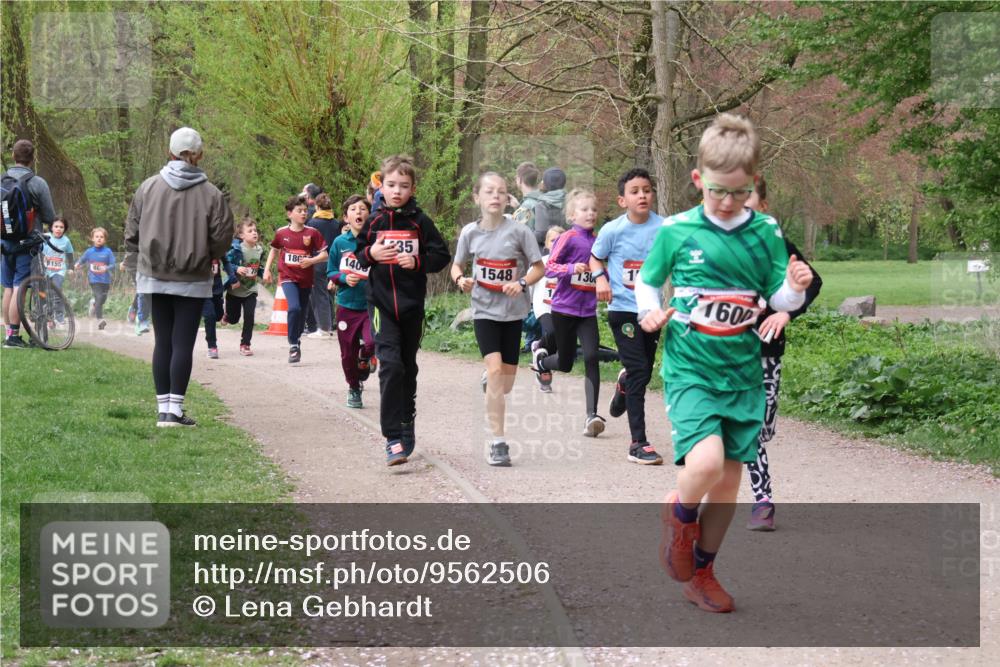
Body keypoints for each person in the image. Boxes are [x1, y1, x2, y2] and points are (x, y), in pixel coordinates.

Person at [635, 113, 813, 612]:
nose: (728, 202)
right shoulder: (677, 230)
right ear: (698, 181)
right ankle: (678, 510)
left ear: (753, 183)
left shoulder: (766, 232)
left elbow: (780, 297)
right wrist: (650, 311)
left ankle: (703, 571)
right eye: (717, 192)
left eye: (738, 193)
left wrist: (794, 290)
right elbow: (648, 281)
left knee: (730, 479)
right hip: (692, 365)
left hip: (742, 369)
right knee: (707, 463)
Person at [124, 126, 233, 427]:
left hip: (154, 274)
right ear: (199, 155)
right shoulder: (212, 194)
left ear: (169, 152)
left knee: (163, 342)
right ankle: (175, 410)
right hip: (194, 277)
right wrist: (204, 253)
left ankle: (163, 412)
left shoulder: (147, 188)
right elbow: (223, 237)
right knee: (183, 342)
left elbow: (131, 232)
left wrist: (140, 261)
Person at [354, 154, 451, 466]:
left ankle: (407, 420)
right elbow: (359, 252)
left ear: (412, 189)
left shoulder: (419, 221)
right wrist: (372, 252)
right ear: (382, 185)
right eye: (391, 184)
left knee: (407, 367)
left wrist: (418, 261)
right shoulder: (375, 220)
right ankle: (393, 436)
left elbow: (441, 255)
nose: (397, 191)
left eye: (404, 186)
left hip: (411, 307)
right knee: (391, 365)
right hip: (381, 304)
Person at [743, 176, 823, 530]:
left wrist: (785, 313)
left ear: (762, 206)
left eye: (747, 198)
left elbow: (814, 282)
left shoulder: (781, 246)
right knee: (748, 430)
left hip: (768, 349)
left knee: (764, 428)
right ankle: (763, 502)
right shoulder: (715, 247)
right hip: (726, 352)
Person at [451, 173, 545, 467]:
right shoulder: (470, 232)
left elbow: (538, 267)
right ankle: (498, 442)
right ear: (476, 197)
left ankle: (491, 382)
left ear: (507, 198)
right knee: (494, 373)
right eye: (489, 191)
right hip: (484, 311)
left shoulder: (519, 232)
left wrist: (522, 283)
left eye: (501, 192)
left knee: (504, 384)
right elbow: (457, 265)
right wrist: (460, 280)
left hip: (513, 312)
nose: (495, 196)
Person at [591, 167, 665, 465]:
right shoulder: (613, 230)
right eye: (634, 191)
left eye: (646, 190)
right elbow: (595, 256)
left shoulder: (665, 228)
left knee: (644, 371)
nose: (642, 195)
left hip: (653, 311)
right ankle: (638, 443)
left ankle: (623, 384)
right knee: (638, 372)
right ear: (623, 200)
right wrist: (600, 278)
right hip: (622, 310)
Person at [531, 188, 606, 437]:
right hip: (563, 309)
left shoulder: (599, 240)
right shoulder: (569, 238)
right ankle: (542, 361)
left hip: (587, 312)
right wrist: (572, 268)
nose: (590, 213)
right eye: (584, 209)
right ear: (572, 215)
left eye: (593, 209)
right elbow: (549, 267)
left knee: (592, 356)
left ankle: (591, 416)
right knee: (564, 363)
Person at [3, 139, 57, 348]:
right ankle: (14, 337)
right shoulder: (37, 182)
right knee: (20, 287)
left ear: (13, 156)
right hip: (27, 242)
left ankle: (9, 333)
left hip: (4, 242)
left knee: (8, 288)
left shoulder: (2, 179)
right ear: (32, 158)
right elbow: (50, 215)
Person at [262, 195, 329, 364]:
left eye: (306, 211)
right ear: (290, 213)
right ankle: (293, 345)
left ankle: (296, 338)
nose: (304, 213)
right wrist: (267, 270)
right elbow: (274, 250)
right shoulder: (281, 233)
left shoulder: (312, 233)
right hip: (287, 277)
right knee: (294, 307)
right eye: (299, 211)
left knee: (302, 312)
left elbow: (325, 254)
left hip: (306, 279)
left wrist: (311, 260)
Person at [327, 194, 374, 409]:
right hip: (346, 305)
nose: (359, 212)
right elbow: (331, 272)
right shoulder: (339, 242)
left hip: (371, 304)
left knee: (372, 342)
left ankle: (365, 359)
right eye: (354, 209)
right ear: (346, 217)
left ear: (369, 215)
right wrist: (345, 278)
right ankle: (354, 388)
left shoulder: (376, 241)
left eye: (363, 209)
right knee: (347, 352)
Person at [527, 225, 564, 392]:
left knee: (555, 346)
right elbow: (529, 283)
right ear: (547, 244)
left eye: (561, 241)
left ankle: (539, 353)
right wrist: (527, 303)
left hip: (564, 309)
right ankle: (541, 354)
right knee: (550, 332)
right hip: (544, 306)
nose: (557, 244)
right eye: (553, 240)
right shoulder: (541, 263)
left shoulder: (572, 264)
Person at [225, 217, 264, 356]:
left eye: (255, 230)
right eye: (250, 231)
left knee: (249, 316)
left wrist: (265, 274)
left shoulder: (259, 250)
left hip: (250, 290)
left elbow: (258, 266)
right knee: (233, 319)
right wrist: (236, 269)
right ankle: (227, 316)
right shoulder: (236, 249)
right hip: (235, 290)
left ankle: (245, 344)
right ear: (242, 235)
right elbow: (227, 263)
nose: (254, 233)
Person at [305, 192, 339, 338]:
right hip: (333, 262)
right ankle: (330, 325)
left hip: (317, 261)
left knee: (319, 295)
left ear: (317, 206)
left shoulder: (312, 223)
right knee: (329, 293)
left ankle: (323, 328)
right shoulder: (336, 223)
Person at [75, 227, 115, 330]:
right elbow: (82, 260)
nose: (99, 239)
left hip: (105, 280)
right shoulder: (89, 251)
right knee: (99, 297)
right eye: (97, 236)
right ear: (92, 238)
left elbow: (113, 264)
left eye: (101, 237)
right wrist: (78, 264)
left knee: (102, 299)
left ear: (105, 239)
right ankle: (100, 320)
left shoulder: (108, 251)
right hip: (94, 280)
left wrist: (107, 267)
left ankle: (93, 304)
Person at [201, 253, 235, 359]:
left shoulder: (217, 245)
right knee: (209, 315)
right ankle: (212, 347)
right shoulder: (196, 244)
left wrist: (232, 276)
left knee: (218, 315)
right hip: (201, 288)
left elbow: (226, 261)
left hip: (216, 288)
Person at [43, 217, 74, 323]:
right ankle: (48, 314)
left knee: (57, 290)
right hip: (45, 270)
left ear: (64, 229)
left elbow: (70, 254)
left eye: (61, 227)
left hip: (59, 270)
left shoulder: (66, 241)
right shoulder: (46, 237)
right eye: (56, 226)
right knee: (46, 293)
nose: (58, 229)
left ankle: (59, 315)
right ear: (51, 227)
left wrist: (71, 267)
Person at [531, 167, 567, 251]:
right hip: (568, 247)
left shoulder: (542, 204)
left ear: (546, 184)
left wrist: (529, 235)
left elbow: (541, 234)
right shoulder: (571, 201)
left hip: (549, 252)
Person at [511, 162, 543, 229]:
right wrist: (518, 207)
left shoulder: (527, 206)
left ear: (520, 180)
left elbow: (524, 235)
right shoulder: (544, 198)